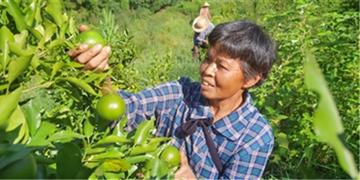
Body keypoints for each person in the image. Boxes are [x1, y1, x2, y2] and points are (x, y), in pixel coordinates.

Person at [69, 20, 277, 179]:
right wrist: (100, 75)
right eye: (207, 59)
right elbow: (124, 110)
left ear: (251, 79)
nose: (206, 70)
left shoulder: (255, 137)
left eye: (221, 66)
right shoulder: (181, 93)